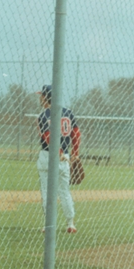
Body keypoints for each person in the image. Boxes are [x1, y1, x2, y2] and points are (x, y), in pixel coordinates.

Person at [36, 84, 81, 233]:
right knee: (64, 191)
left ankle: (49, 226)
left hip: (48, 156)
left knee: (47, 192)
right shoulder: (68, 113)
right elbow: (76, 133)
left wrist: (58, 151)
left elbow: (47, 136)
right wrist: (75, 153)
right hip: (64, 157)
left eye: (42, 95)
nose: (40, 98)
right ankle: (70, 223)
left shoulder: (43, 116)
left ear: (46, 97)